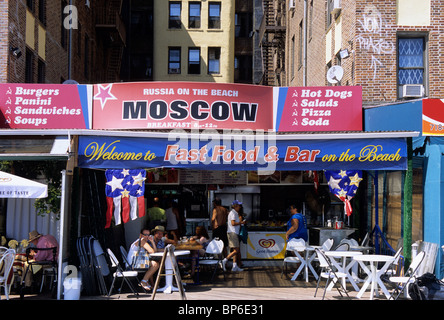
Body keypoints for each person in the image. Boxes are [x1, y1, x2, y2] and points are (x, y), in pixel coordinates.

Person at [221, 200, 246, 272]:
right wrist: (241, 222)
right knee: (236, 250)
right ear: (236, 206)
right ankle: (224, 260)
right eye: (239, 205)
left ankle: (234, 266)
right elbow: (233, 223)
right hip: (233, 233)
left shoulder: (234, 212)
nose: (240, 207)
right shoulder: (233, 213)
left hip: (233, 233)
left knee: (235, 250)